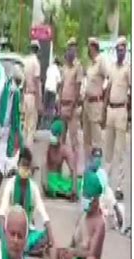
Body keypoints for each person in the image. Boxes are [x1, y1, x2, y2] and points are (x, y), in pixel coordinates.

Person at [42, 170, 106, 259]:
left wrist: (74, 253)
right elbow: (72, 243)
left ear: (96, 199)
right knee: (53, 248)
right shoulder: (82, 216)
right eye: (84, 196)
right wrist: (67, 252)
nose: (85, 199)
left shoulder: (99, 224)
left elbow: (92, 254)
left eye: (88, 197)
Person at [0, 147, 55, 256]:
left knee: (44, 236)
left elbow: (43, 213)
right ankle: (26, 249)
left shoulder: (33, 187)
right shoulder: (10, 184)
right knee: (1, 232)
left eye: (27, 166)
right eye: (23, 165)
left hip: (27, 230)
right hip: (11, 228)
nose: (25, 169)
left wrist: (51, 237)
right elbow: (2, 211)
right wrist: (3, 232)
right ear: (18, 165)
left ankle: (21, 248)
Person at [0, 65, 24, 209]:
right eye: (17, 81)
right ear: (11, 79)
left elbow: (15, 117)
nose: (17, 85)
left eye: (19, 83)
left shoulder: (16, 95)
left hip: (5, 132)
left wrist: (16, 136)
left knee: (3, 165)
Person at [103, 36, 130, 201]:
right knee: (108, 148)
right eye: (118, 49)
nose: (120, 52)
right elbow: (108, 89)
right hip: (111, 109)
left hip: (121, 110)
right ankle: (105, 182)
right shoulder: (112, 69)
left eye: (123, 49)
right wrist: (104, 110)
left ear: (125, 51)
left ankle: (119, 186)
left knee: (120, 150)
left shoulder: (129, 70)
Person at [57, 37, 83, 176]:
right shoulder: (64, 67)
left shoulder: (78, 67)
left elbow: (78, 90)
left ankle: (75, 169)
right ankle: (59, 168)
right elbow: (61, 86)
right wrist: (59, 103)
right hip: (63, 106)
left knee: (74, 141)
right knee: (61, 139)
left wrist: (72, 107)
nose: (71, 50)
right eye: (69, 47)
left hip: (72, 108)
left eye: (74, 47)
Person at [83, 37, 108, 156]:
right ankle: (88, 167)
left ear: (93, 47)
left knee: (96, 139)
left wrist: (103, 92)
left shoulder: (101, 61)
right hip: (87, 103)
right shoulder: (91, 64)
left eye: (89, 46)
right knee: (86, 138)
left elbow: (108, 79)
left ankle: (96, 168)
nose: (88, 49)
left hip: (96, 103)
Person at [42, 118, 79, 201]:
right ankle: (59, 192)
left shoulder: (65, 150)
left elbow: (73, 170)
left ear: (60, 136)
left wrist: (74, 188)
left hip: (59, 180)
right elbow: (44, 166)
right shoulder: (47, 147)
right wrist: (44, 184)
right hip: (51, 179)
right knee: (52, 183)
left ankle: (66, 192)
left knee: (79, 183)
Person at [22, 40, 42, 148]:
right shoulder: (36, 63)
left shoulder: (26, 61)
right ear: (38, 50)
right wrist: (39, 102)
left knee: (25, 125)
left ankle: (22, 151)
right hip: (33, 96)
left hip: (26, 95)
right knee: (31, 127)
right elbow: (37, 82)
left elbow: (24, 81)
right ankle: (28, 153)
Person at [42, 57, 62, 129]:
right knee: (51, 108)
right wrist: (57, 91)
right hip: (53, 90)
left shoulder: (49, 68)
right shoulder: (57, 70)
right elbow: (59, 82)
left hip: (47, 89)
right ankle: (49, 125)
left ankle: (43, 124)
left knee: (45, 107)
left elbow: (46, 77)